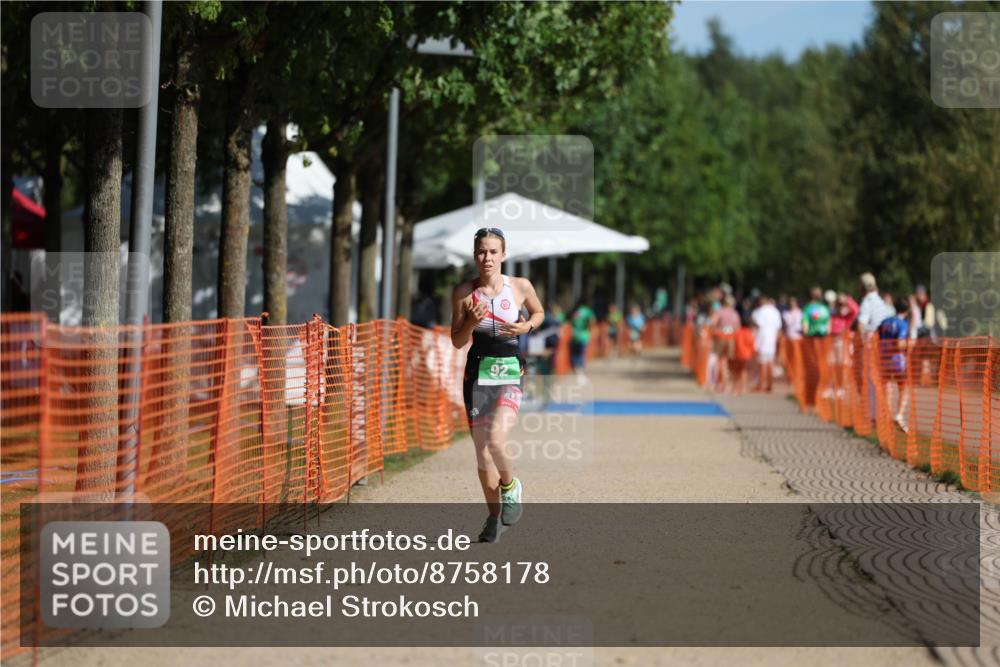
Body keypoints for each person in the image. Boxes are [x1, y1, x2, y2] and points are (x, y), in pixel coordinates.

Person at [451, 227, 544, 543]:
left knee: (495, 438)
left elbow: (539, 311)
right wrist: (471, 323)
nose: (486, 257)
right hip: (477, 376)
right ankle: (493, 518)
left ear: (503, 254)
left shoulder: (519, 286)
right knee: (482, 455)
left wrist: (527, 325)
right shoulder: (464, 294)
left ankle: (510, 486)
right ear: (474, 255)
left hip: (509, 374)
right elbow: (457, 341)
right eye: (481, 251)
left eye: (493, 251)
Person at [877, 297, 912, 433]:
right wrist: (907, 346)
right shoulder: (903, 324)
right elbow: (900, 343)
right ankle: (899, 415)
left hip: (884, 359)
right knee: (903, 386)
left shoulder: (884, 322)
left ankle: (887, 414)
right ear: (907, 310)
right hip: (897, 360)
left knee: (887, 386)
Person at [801, 287, 831, 408]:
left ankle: (811, 399)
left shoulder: (808, 309)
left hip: (811, 341)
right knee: (821, 368)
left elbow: (805, 326)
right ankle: (819, 397)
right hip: (823, 341)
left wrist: (804, 333)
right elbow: (829, 326)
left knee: (811, 371)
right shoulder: (825, 309)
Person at [710, 295, 741, 392]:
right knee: (726, 362)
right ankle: (725, 384)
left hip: (720, 337)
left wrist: (715, 330)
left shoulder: (720, 312)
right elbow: (737, 327)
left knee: (719, 361)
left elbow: (713, 322)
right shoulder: (735, 313)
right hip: (731, 339)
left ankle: (717, 384)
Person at [751, 296, 782, 392]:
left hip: (763, 339)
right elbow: (779, 326)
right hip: (771, 339)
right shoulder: (775, 311)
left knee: (762, 364)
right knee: (770, 363)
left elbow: (757, 323)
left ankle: (761, 384)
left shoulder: (761, 311)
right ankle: (770, 384)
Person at [568, 300, 596, 380]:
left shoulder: (574, 311)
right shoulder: (587, 311)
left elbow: (570, 322)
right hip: (584, 335)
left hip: (574, 335)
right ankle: (580, 369)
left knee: (574, 353)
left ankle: (575, 368)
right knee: (581, 353)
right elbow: (592, 320)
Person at [731, 314, 756, 394]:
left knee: (737, 371)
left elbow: (733, 342)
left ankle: (735, 387)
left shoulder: (737, 332)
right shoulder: (750, 333)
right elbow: (751, 344)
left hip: (738, 354)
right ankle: (743, 388)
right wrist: (752, 353)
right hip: (747, 355)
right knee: (744, 370)